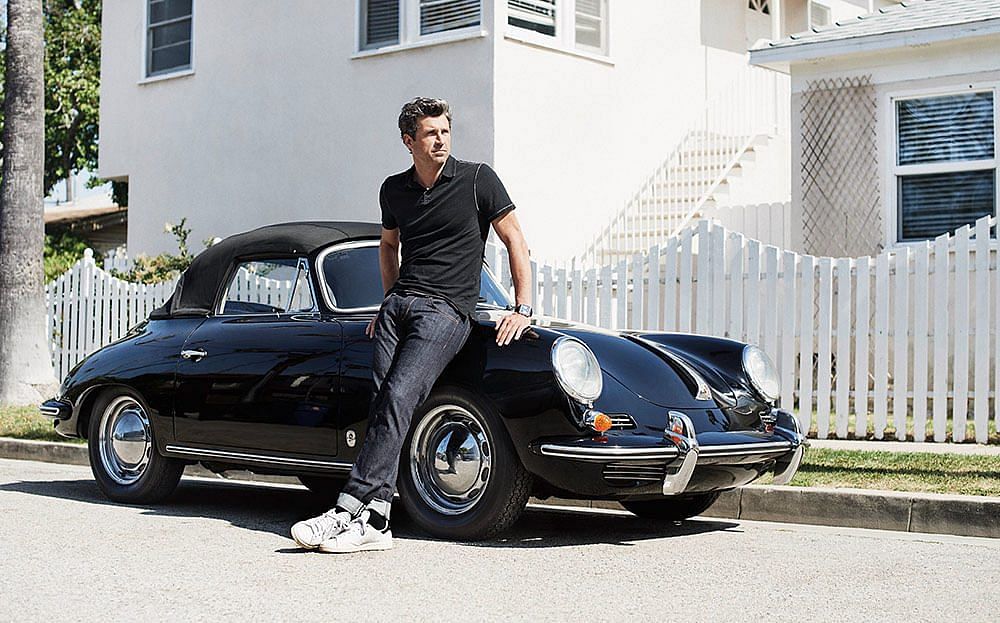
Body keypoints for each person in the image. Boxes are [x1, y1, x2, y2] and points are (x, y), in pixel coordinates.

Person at [290, 97, 533, 553]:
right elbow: (388, 246)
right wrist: (386, 302)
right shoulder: (393, 190)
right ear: (409, 141)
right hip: (399, 307)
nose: (440, 139)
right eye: (430, 133)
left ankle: (347, 508)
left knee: (401, 395)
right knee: (383, 401)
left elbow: (514, 238)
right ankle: (377, 520)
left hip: (446, 311)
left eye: (445, 131)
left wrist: (522, 307)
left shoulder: (479, 179)